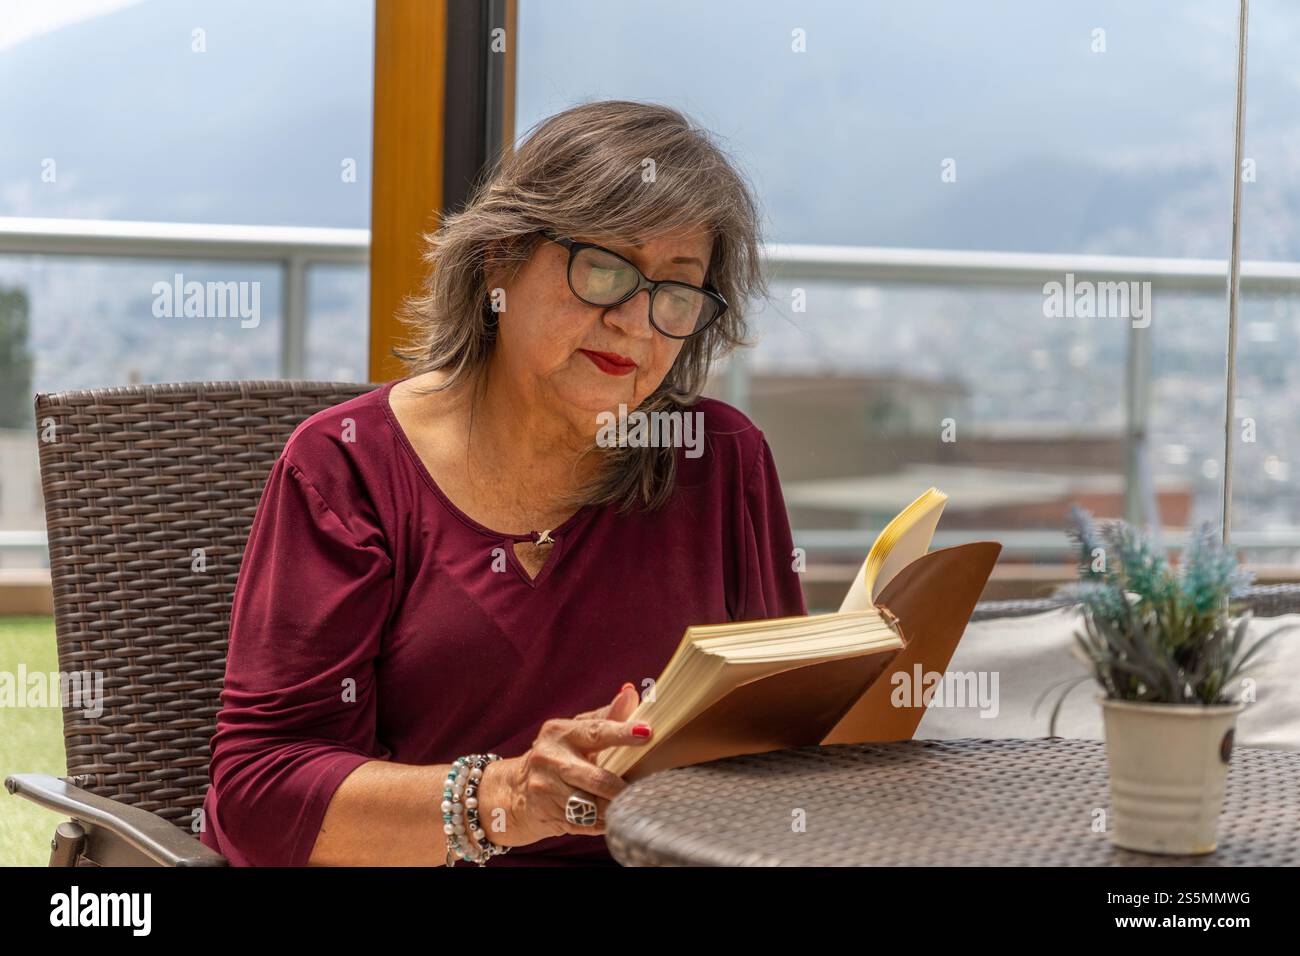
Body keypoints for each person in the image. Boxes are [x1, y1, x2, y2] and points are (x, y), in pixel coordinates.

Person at [199, 99, 807, 866]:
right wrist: (507, 799)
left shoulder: (719, 458)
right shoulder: (346, 464)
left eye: (676, 290)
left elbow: (783, 736)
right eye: (605, 269)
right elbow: (262, 793)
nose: (637, 322)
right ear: (501, 258)